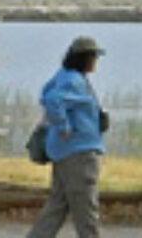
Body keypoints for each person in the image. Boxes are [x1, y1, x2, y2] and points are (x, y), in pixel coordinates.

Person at [27, 36, 107, 238]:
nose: (95, 62)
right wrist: (63, 126)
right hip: (79, 152)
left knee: (57, 205)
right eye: (93, 57)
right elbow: (53, 100)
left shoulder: (62, 75)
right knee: (86, 208)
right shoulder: (74, 81)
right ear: (84, 59)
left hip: (63, 151)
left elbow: (46, 94)